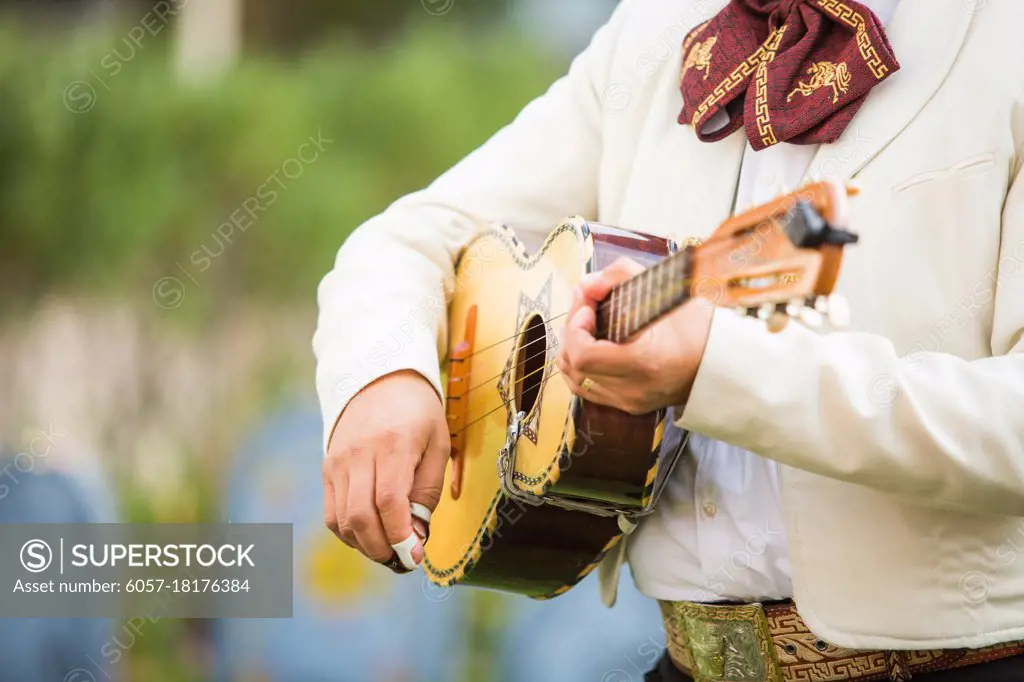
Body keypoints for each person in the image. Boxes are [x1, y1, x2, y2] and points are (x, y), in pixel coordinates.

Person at [314, 0, 1024, 679]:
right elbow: (408, 238)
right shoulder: (655, 26)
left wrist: (717, 369)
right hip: (685, 663)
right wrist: (384, 377)